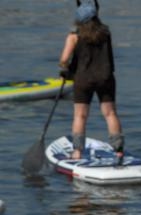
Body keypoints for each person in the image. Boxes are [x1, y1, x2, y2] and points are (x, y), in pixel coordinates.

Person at [58, 0, 123, 161]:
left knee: (80, 116)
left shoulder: (74, 36)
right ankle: (119, 151)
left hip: (83, 79)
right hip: (105, 77)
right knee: (110, 114)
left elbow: (64, 59)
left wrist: (65, 69)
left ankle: (77, 152)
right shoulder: (106, 33)